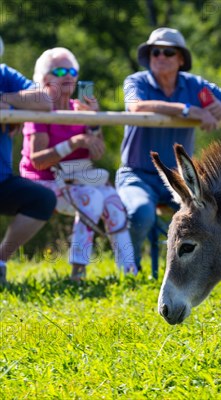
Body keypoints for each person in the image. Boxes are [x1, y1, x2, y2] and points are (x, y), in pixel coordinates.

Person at [117, 27, 221, 270]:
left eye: (167, 52)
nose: (159, 57)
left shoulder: (195, 86)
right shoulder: (135, 81)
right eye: (154, 52)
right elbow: (135, 107)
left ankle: (198, 273)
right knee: (140, 214)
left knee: (207, 217)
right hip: (136, 174)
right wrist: (185, 110)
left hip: (179, 180)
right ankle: (129, 272)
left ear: (181, 59)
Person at [20, 47, 137, 281]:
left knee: (114, 201)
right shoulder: (40, 111)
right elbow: (38, 161)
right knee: (91, 198)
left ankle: (130, 271)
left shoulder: (79, 109)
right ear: (44, 79)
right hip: (43, 181)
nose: (68, 76)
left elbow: (97, 151)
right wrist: (74, 142)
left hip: (77, 177)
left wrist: (93, 121)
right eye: (60, 71)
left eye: (72, 71)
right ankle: (78, 271)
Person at [0, 35, 55, 284]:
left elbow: (44, 100)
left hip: (2, 181)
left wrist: (6, 100)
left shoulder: (3, 75)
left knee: (42, 199)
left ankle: (0, 260)